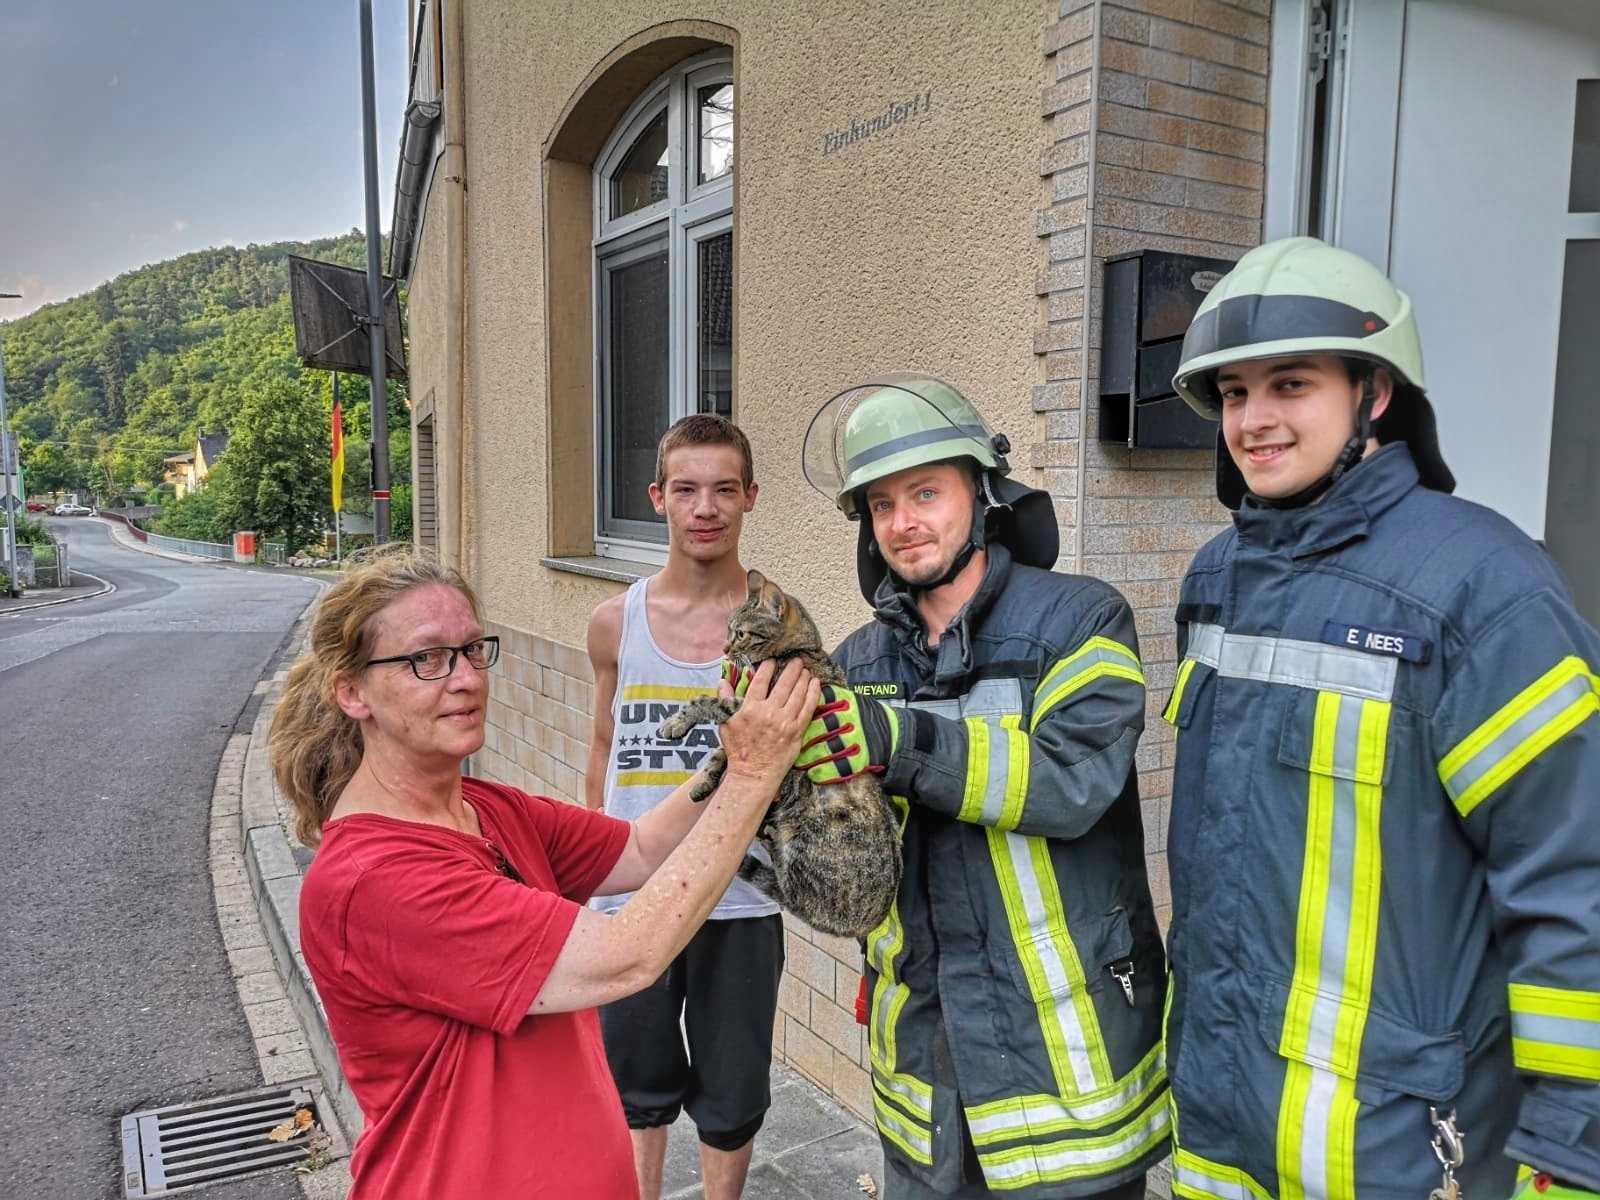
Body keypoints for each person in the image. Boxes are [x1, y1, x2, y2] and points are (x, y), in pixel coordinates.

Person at [1159, 236, 1600, 1199]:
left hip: (1399, 1148)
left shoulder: (1485, 588)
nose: (1254, 420)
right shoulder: (1217, 580)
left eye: (1291, 384)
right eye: (1234, 393)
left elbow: (1574, 881)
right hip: (1222, 1126)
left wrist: (1571, 1148)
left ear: (1376, 393)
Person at [269, 548, 817, 1200]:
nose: (467, 678)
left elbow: (641, 849)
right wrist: (754, 778)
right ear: (351, 690)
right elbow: (627, 956)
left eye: (473, 649)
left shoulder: (487, 809)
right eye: (428, 659)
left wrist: (731, 757)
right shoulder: (373, 881)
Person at [789, 374, 1169, 1199]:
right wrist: (763, 790)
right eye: (881, 505)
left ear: (984, 492)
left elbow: (1073, 782)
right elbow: (835, 871)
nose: (904, 522)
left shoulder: (1083, 621)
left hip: (1066, 1067)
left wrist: (900, 738)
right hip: (928, 1077)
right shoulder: (856, 664)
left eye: (926, 491)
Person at [584, 414, 784, 1200]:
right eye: (688, 490)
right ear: (657, 498)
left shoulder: (777, 626)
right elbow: (602, 746)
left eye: (724, 490)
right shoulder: (614, 622)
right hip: (629, 895)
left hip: (740, 896)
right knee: (637, 1088)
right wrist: (590, 871)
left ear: (750, 498)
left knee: (733, 1097)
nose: (706, 508)